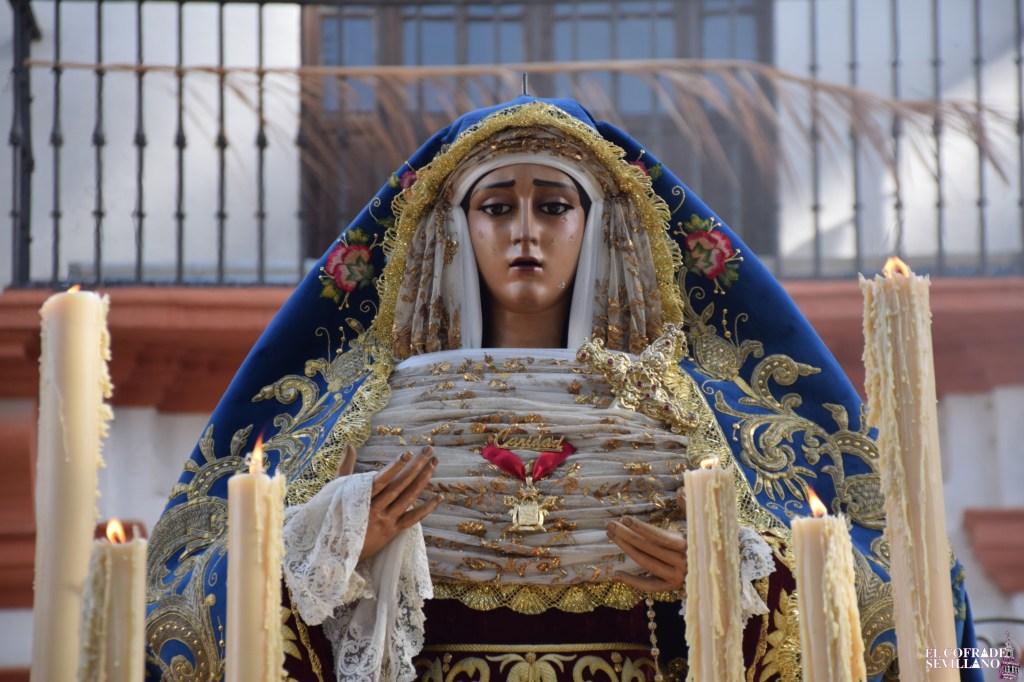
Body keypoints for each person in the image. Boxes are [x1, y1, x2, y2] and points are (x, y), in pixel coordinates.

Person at [144, 96, 980, 682]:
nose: (526, 233)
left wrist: (740, 584)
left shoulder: (698, 414)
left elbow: (903, 614)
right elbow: (183, 614)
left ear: (597, 227)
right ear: (456, 229)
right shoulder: (360, 412)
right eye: (496, 207)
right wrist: (331, 553)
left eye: (553, 206)